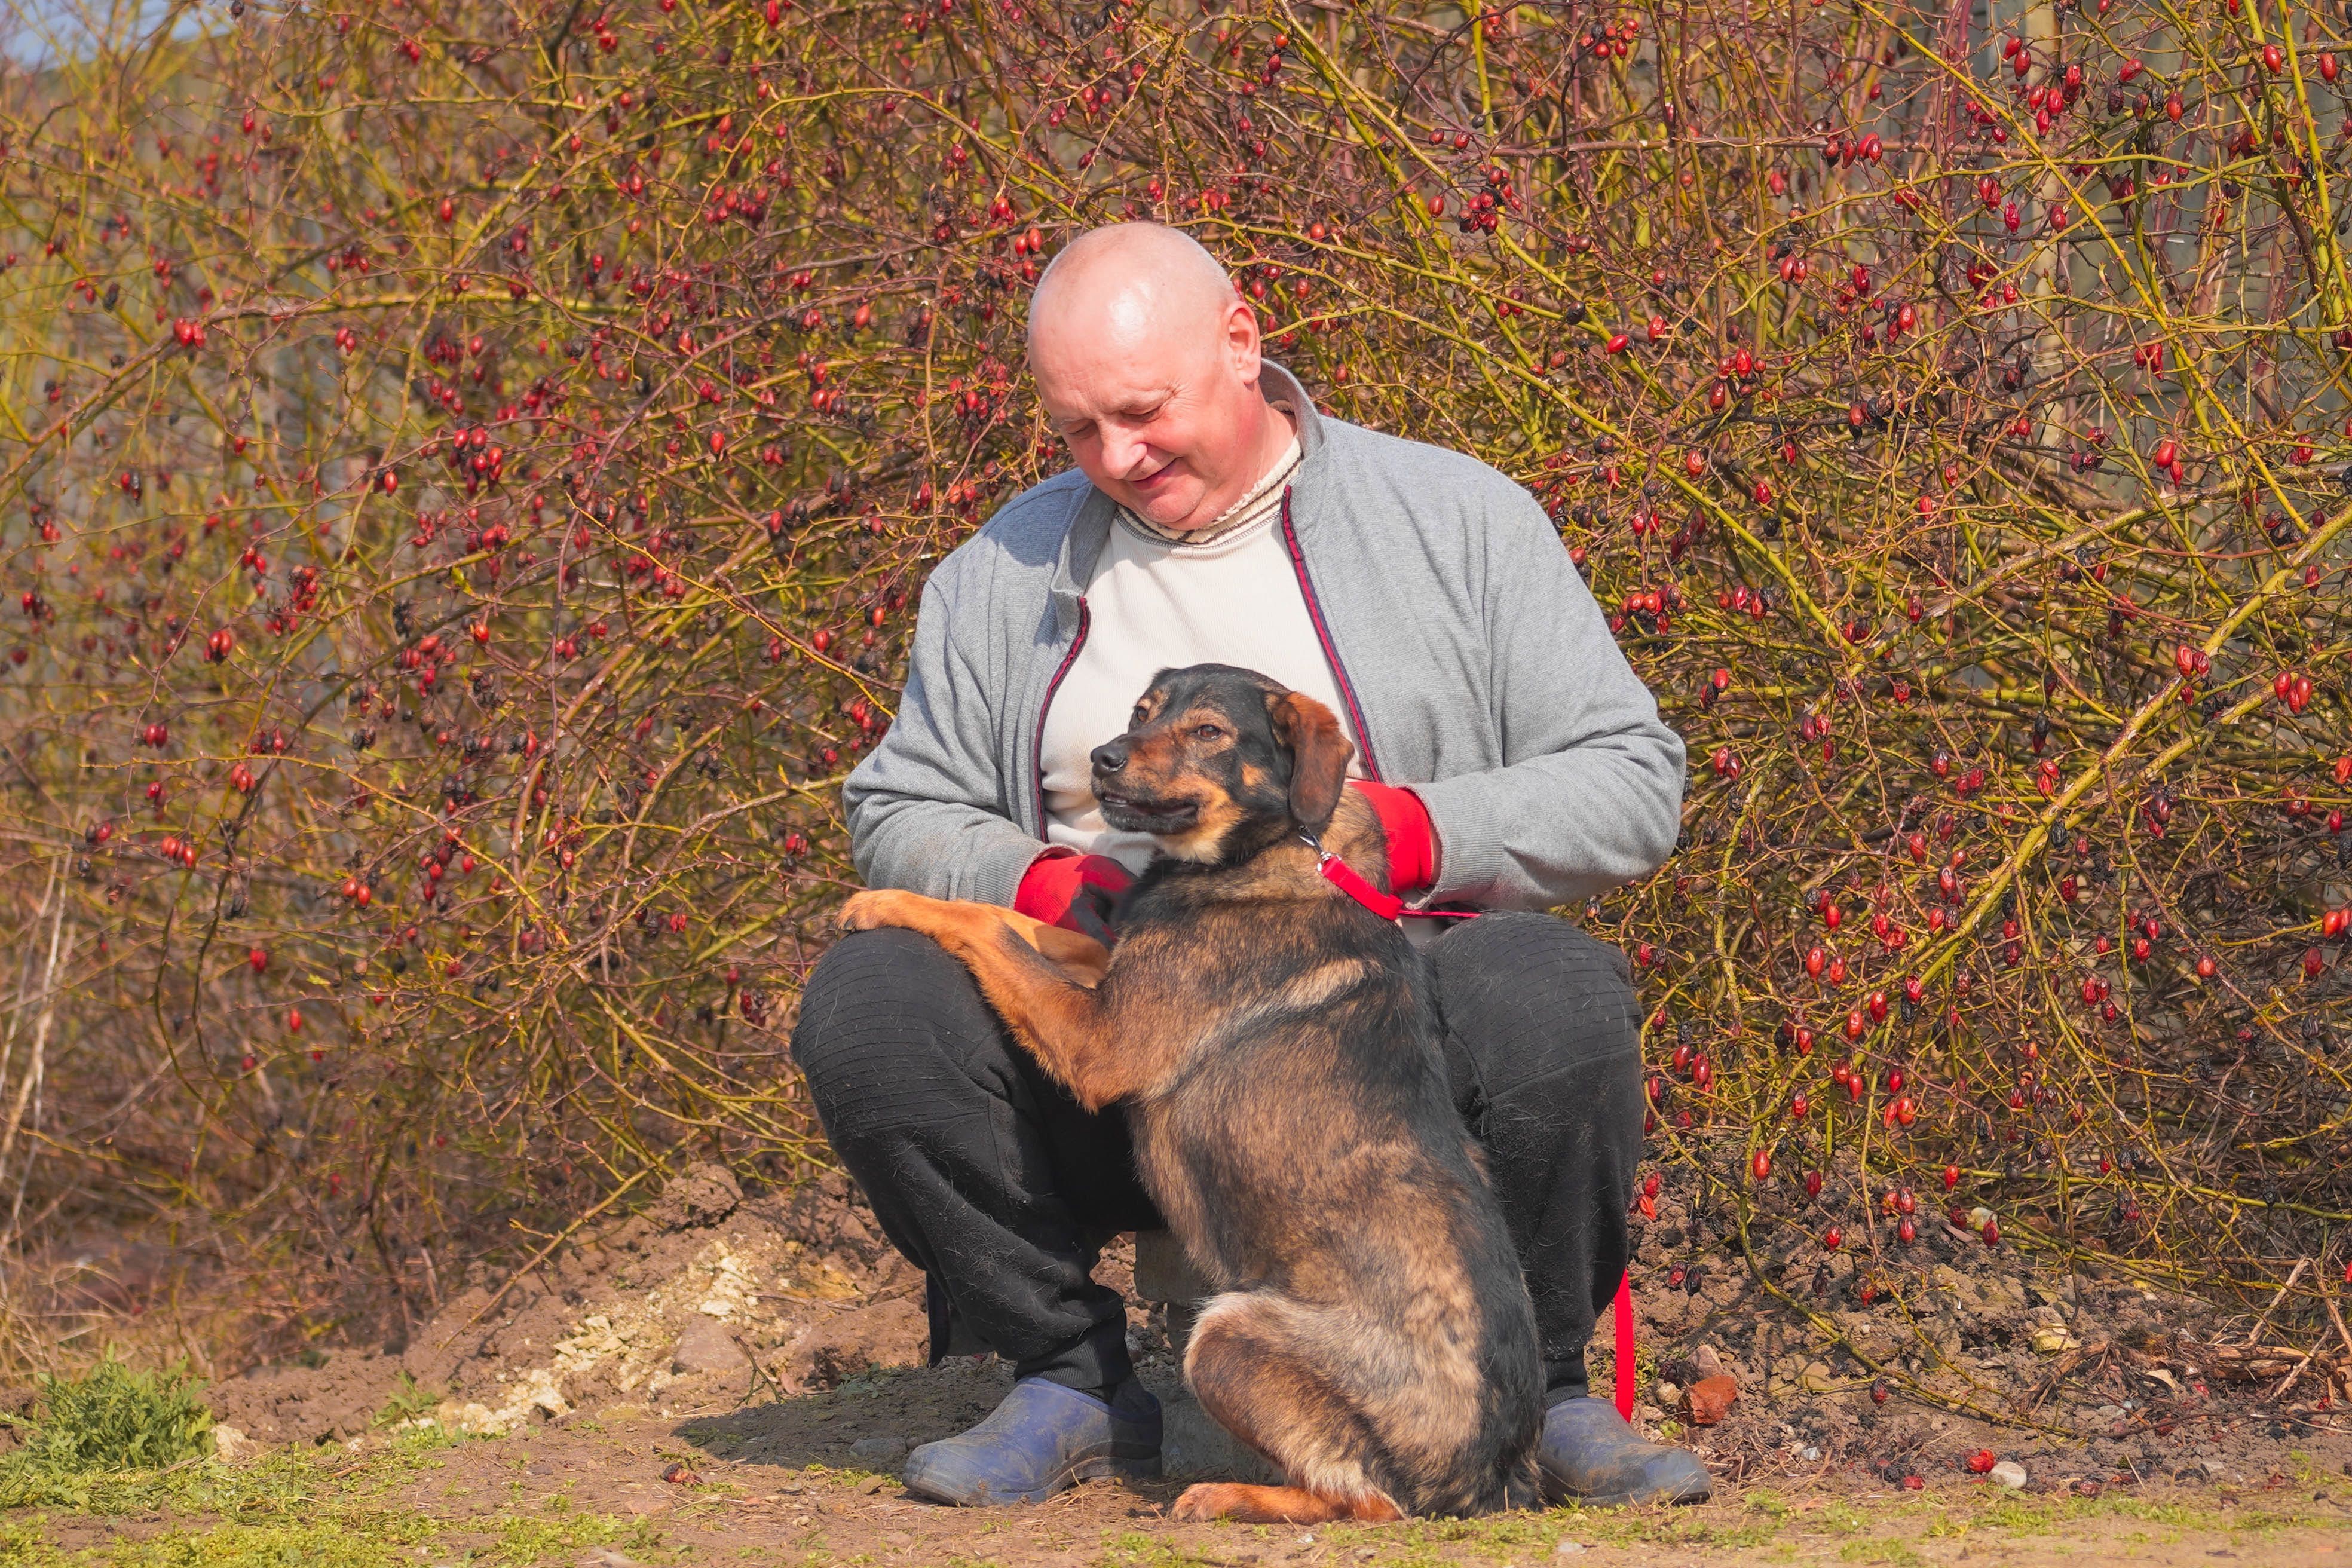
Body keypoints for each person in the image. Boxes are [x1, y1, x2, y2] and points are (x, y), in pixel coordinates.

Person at [790, 222, 1704, 1510]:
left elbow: (1632, 778)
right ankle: (1068, 1374)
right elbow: (894, 804)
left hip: (1375, 1078)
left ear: (1242, 340)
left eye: (1143, 412)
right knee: (871, 1006)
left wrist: (1412, 829)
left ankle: (1532, 1391)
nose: (1117, 458)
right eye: (1075, 432)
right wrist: (1049, 883)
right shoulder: (1001, 570)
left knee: (1550, 990)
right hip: (1110, 1034)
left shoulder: (1460, 521)